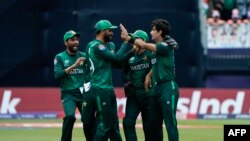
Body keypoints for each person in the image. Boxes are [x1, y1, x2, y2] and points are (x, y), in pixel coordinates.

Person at [120, 19, 179, 141]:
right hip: (156, 89)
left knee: (170, 123)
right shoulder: (155, 52)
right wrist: (148, 75)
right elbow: (156, 64)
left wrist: (128, 37)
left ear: (160, 32)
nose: (151, 32)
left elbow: (143, 45)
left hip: (168, 87)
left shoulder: (164, 46)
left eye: (153, 30)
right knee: (153, 125)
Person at [81, 19, 133, 141]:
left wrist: (132, 52)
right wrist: (126, 42)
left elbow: (116, 64)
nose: (112, 33)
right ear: (102, 31)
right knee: (103, 126)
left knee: (114, 126)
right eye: (109, 30)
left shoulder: (109, 45)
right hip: (99, 89)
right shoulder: (96, 46)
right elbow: (117, 59)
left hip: (108, 89)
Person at [54, 30, 94, 141]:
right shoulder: (60, 57)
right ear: (66, 43)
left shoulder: (83, 56)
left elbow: (90, 73)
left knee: (88, 119)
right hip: (68, 93)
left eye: (77, 39)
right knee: (70, 117)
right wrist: (74, 65)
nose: (75, 42)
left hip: (83, 94)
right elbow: (57, 75)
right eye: (72, 40)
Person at [122, 30, 155, 141]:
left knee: (148, 125)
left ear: (143, 41)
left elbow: (158, 66)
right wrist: (127, 82)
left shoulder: (150, 53)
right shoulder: (130, 56)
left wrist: (149, 76)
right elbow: (124, 71)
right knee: (127, 122)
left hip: (148, 94)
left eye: (136, 39)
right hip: (134, 95)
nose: (133, 41)